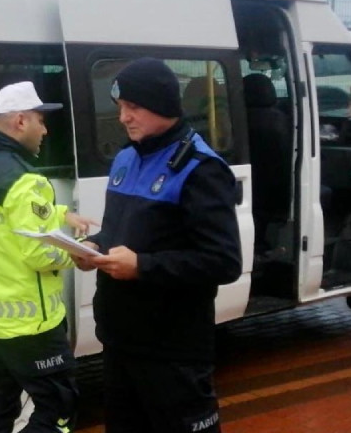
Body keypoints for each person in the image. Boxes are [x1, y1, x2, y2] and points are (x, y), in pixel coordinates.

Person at [75, 58, 242, 433]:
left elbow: (223, 261)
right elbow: (122, 235)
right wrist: (93, 248)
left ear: (163, 105)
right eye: (120, 107)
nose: (123, 118)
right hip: (120, 340)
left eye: (133, 107)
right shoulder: (125, 158)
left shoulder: (201, 168)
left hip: (172, 350)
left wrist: (144, 266)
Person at [0, 81, 95, 433]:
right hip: (31, 325)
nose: (45, 130)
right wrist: (80, 254)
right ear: (20, 121)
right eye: (40, 121)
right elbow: (40, 252)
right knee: (58, 411)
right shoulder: (25, 180)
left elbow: (5, 220)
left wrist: (61, 213)